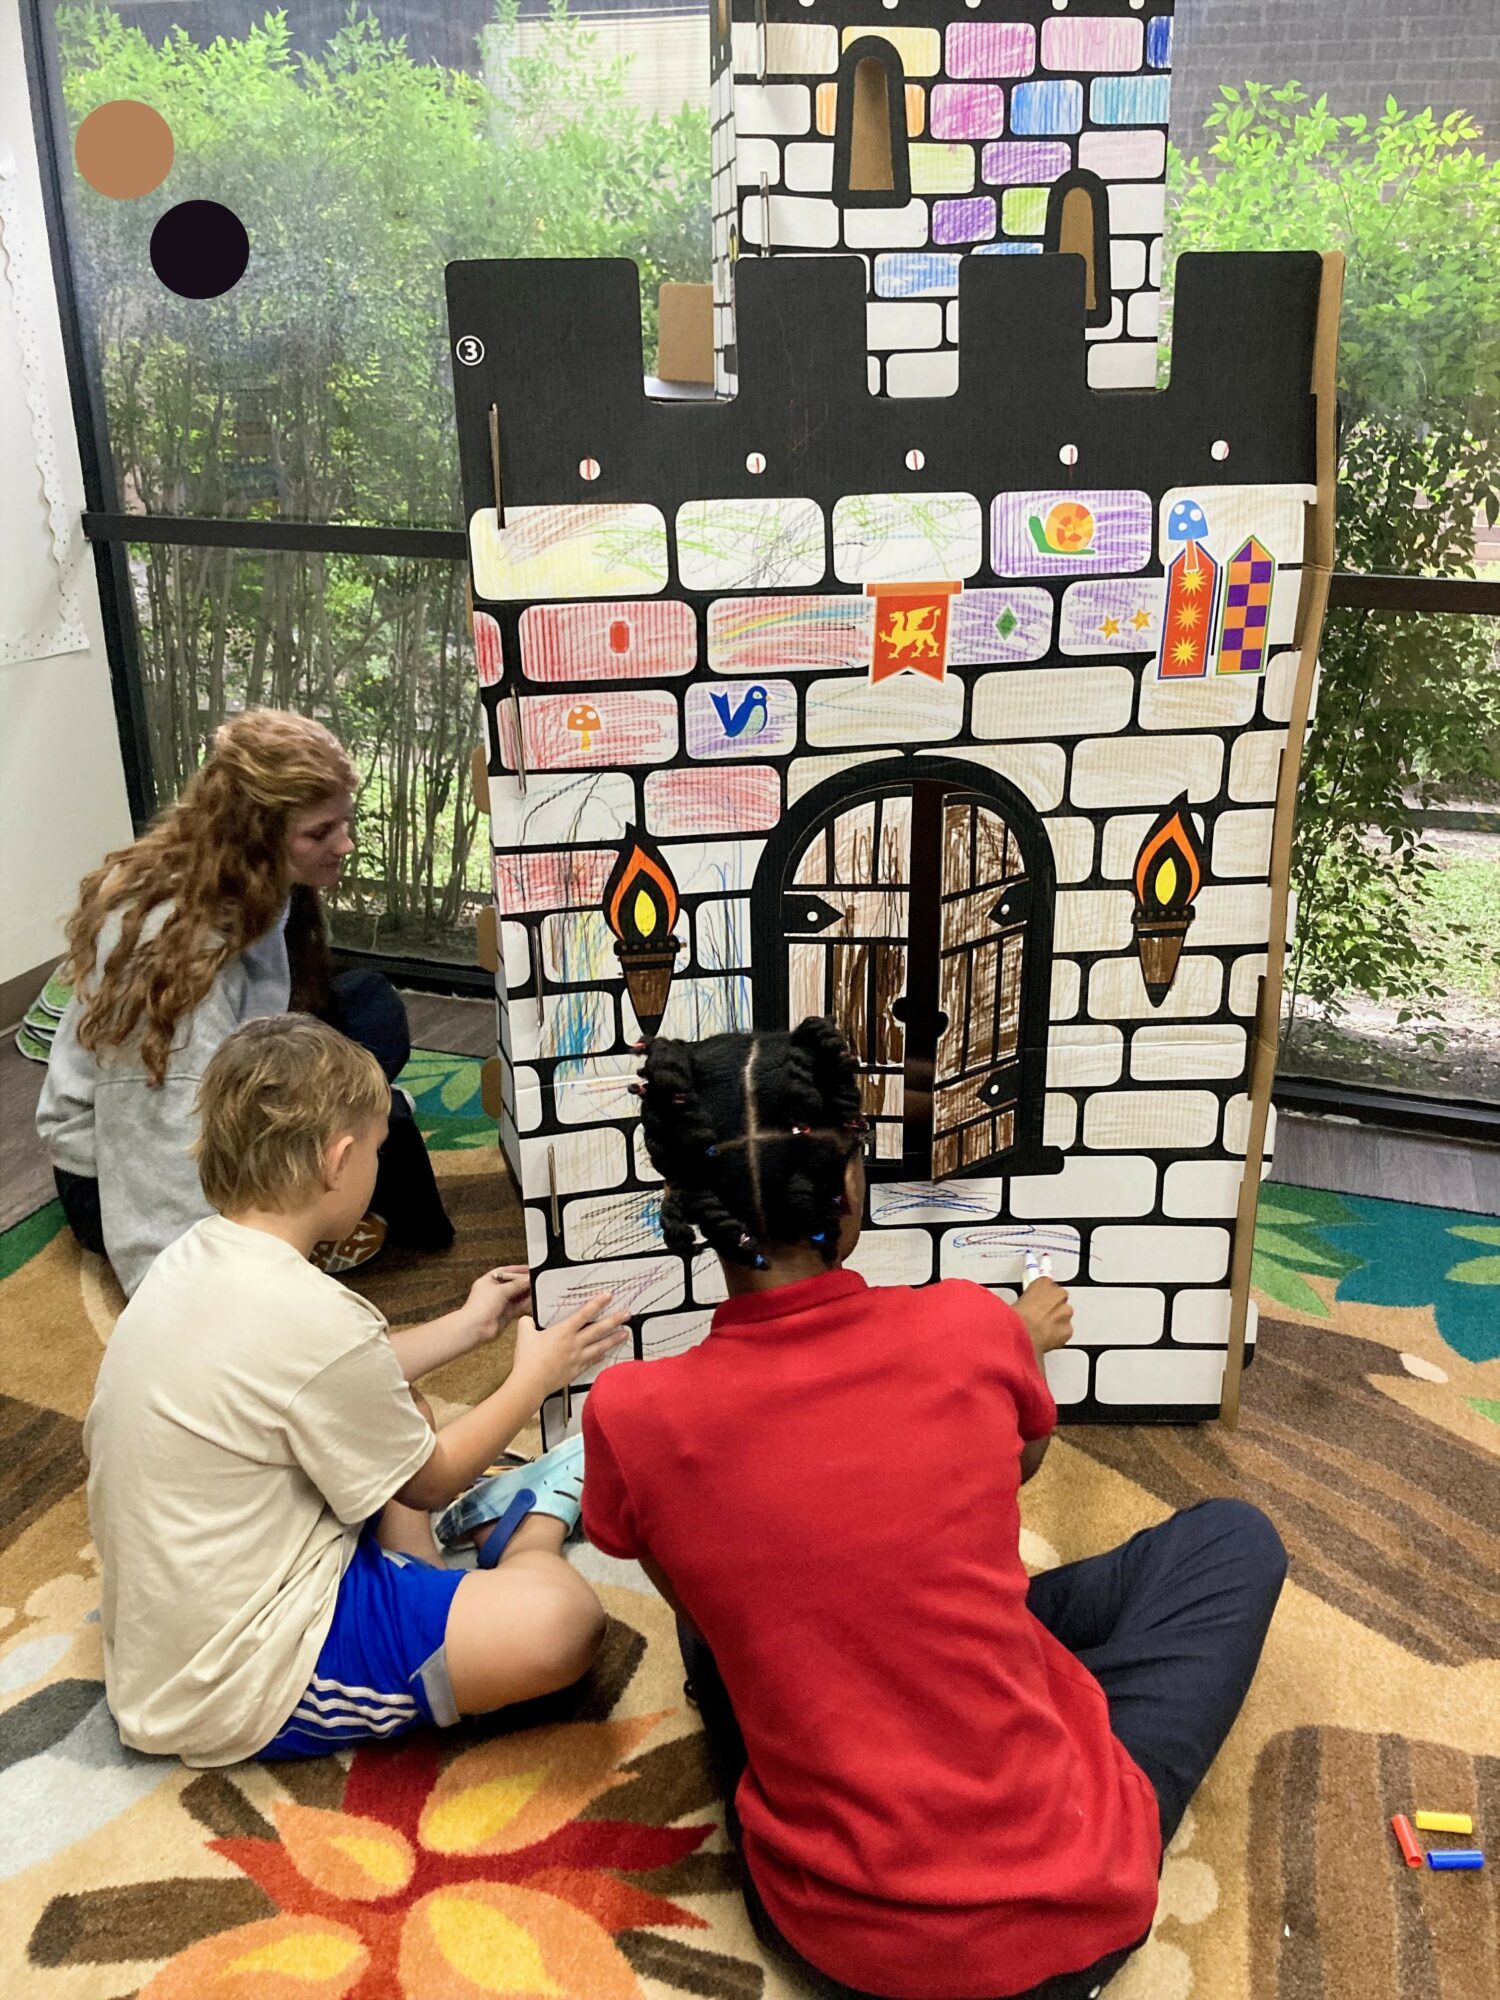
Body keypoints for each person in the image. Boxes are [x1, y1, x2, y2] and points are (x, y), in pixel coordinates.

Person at [581, 1020, 1289, 2000]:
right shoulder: (968, 1326)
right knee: (1236, 1539)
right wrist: (1018, 1347)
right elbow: (1018, 1467)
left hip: (830, 1936)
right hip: (1066, 1920)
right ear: (850, 1186)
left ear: (691, 1203)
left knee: (723, 1616)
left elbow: (696, 1604)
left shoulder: (630, 1413)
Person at [84, 1014, 630, 1765]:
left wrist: (469, 1326)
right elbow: (431, 1480)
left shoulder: (192, 1259)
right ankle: (523, 1533)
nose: (379, 1162)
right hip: (244, 1678)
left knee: (400, 1405)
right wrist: (533, 1377)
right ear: (339, 1162)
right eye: (377, 1148)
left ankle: (419, 1571)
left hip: (187, 1627)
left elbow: (338, 1375)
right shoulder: (314, 1315)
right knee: (562, 1624)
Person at [37, 707, 452, 1295]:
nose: (345, 844)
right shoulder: (173, 946)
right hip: (113, 1168)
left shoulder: (256, 877)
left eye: (344, 822)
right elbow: (155, 1129)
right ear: (253, 833)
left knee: (372, 1009)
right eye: (319, 833)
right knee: (383, 1137)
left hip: (227, 1071)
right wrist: (198, 1287)